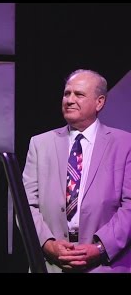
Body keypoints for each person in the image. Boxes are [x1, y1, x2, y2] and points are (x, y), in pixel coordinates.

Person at [22, 69, 131, 273]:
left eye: (78, 94)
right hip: (50, 264)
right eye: (66, 93)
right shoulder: (40, 144)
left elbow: (130, 206)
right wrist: (48, 244)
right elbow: (26, 204)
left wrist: (101, 247)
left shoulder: (125, 144)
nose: (69, 100)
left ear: (99, 102)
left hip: (105, 264)